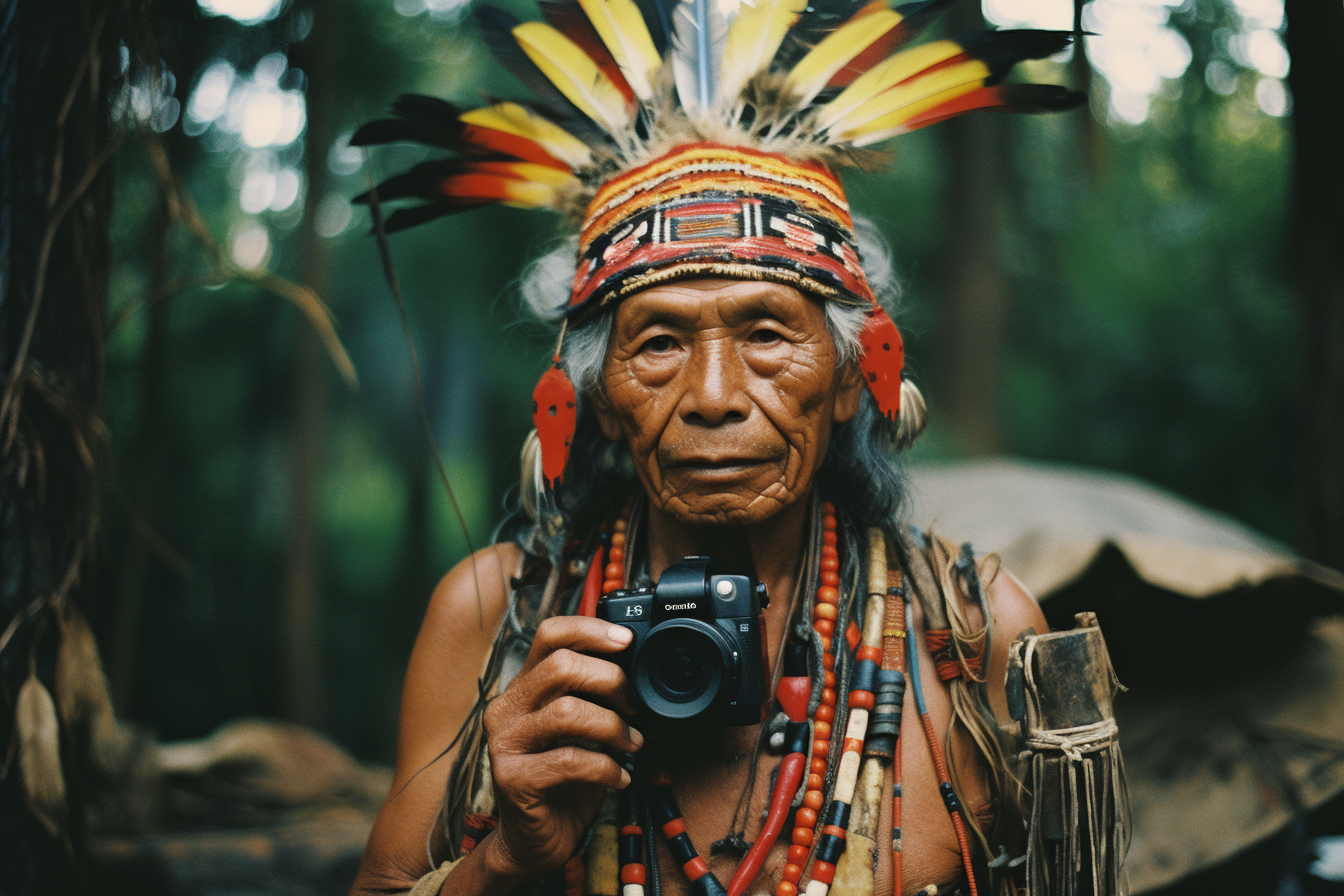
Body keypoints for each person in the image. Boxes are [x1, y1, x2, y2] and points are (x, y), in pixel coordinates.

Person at [349, 2, 1128, 894]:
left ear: (850, 379)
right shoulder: (494, 616)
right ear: (595, 401)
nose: (714, 398)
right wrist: (509, 862)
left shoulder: (975, 632)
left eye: (766, 333)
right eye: (658, 345)